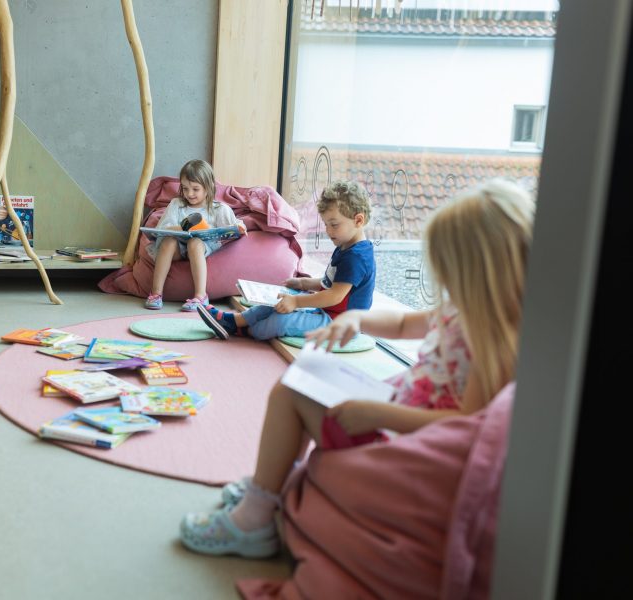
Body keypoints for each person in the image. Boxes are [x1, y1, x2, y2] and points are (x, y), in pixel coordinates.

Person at [179, 178, 535, 558]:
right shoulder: (464, 311)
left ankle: (253, 521)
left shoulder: (492, 343)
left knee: (289, 394)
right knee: (303, 378)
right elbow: (402, 325)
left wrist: (376, 413)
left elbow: (464, 428)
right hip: (394, 411)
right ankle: (271, 485)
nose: (446, 284)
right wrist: (356, 322)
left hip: (400, 440)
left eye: (451, 272)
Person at [196, 180, 375, 341]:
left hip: (341, 324)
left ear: (358, 220)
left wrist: (296, 302)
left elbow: (335, 295)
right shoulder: (346, 245)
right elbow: (330, 284)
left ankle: (247, 331)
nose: (328, 231)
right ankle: (234, 320)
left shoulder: (356, 257)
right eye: (326, 224)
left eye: (334, 225)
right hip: (327, 312)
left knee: (282, 321)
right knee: (277, 301)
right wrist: (304, 283)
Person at [143, 159, 246, 312]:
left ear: (209, 186)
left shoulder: (218, 209)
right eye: (185, 188)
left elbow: (234, 227)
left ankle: (200, 296)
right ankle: (156, 293)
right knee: (168, 241)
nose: (189, 194)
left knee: (195, 242)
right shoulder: (177, 204)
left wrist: (240, 227)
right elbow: (163, 229)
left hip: (201, 247)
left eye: (195, 189)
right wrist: (182, 227)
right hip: (177, 247)